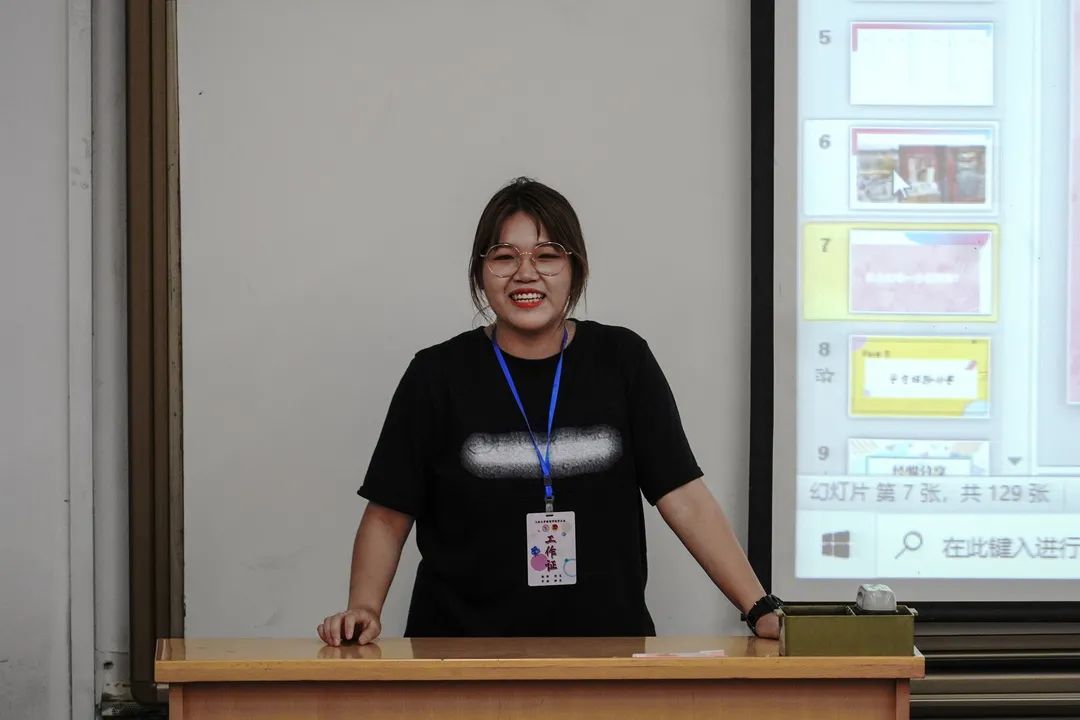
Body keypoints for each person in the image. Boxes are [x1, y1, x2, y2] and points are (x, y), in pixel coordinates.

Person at [317, 177, 781, 646]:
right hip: (458, 655)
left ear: (575, 268)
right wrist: (364, 608)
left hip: (607, 654)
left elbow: (684, 496)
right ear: (480, 272)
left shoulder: (623, 360)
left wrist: (759, 607)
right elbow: (388, 513)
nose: (525, 273)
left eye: (547, 255)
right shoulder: (436, 374)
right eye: (504, 257)